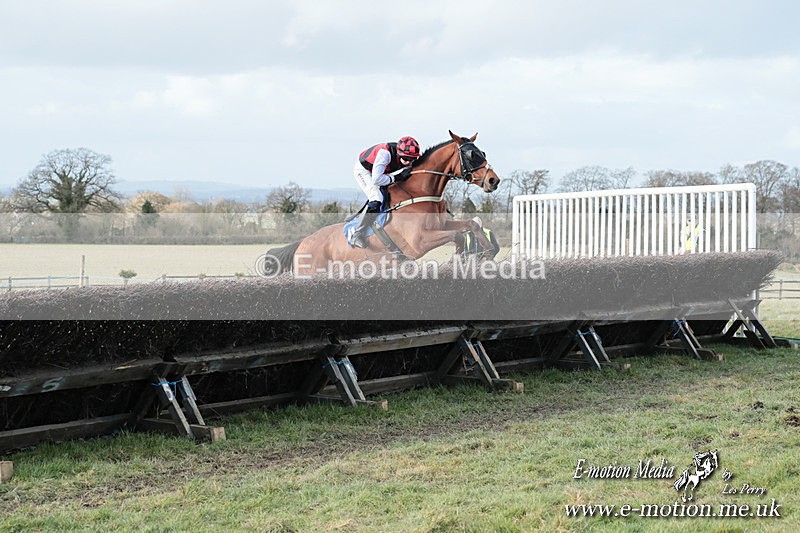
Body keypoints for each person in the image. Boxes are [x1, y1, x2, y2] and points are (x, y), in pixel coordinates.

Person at [350, 136, 421, 248]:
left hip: (382, 172)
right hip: (365, 171)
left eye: (412, 159)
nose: (408, 162)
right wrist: (397, 177)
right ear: (398, 154)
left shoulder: (405, 156)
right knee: (376, 198)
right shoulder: (385, 154)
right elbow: (377, 180)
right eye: (406, 159)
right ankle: (357, 234)